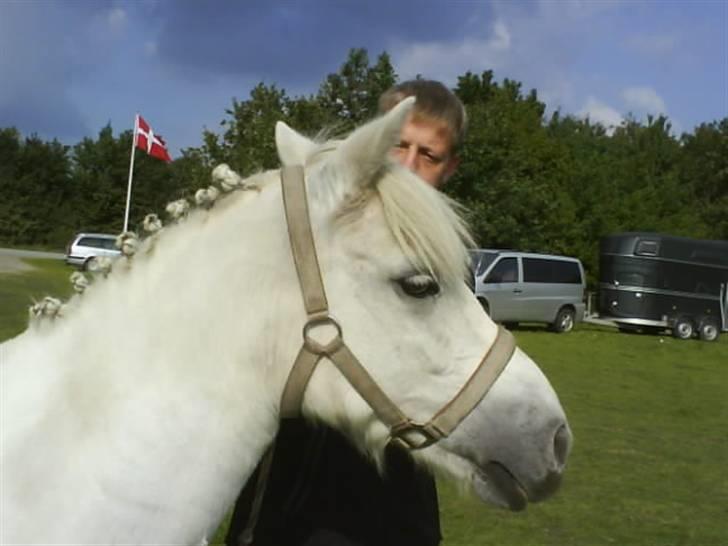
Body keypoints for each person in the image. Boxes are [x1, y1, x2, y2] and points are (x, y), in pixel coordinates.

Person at [225, 79, 467, 546]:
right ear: (373, 139)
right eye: (398, 145)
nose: (409, 166)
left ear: (450, 168)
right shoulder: (311, 234)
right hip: (288, 493)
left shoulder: (447, 267)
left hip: (393, 504)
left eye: (428, 155)